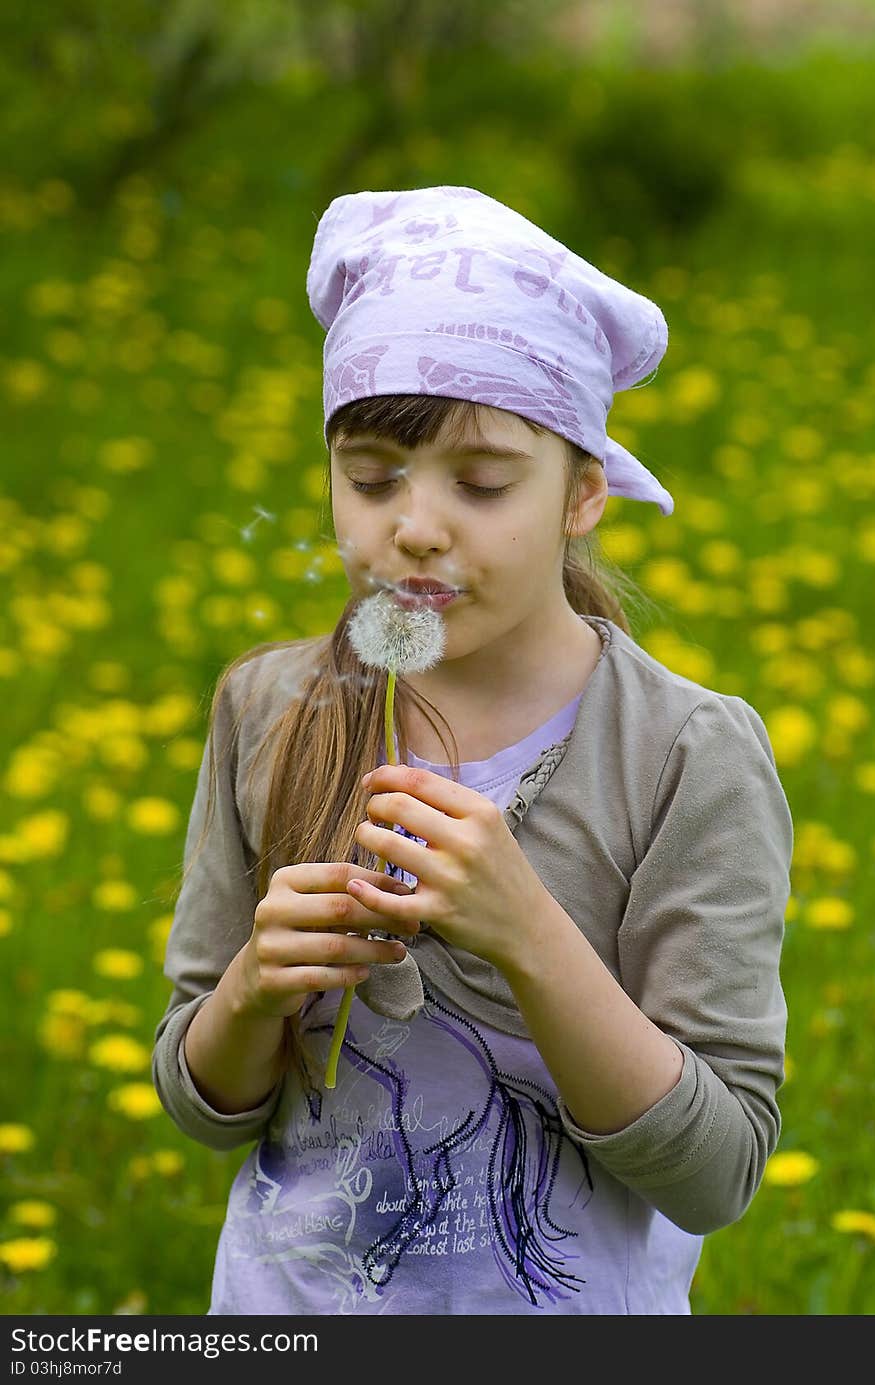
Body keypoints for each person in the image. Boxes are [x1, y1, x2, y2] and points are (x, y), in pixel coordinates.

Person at [152, 185, 793, 1316]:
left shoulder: (683, 754)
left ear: (582, 491)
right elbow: (206, 1104)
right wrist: (255, 988)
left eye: (483, 481)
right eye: (370, 475)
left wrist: (526, 931)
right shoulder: (271, 709)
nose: (416, 524)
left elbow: (715, 1170)